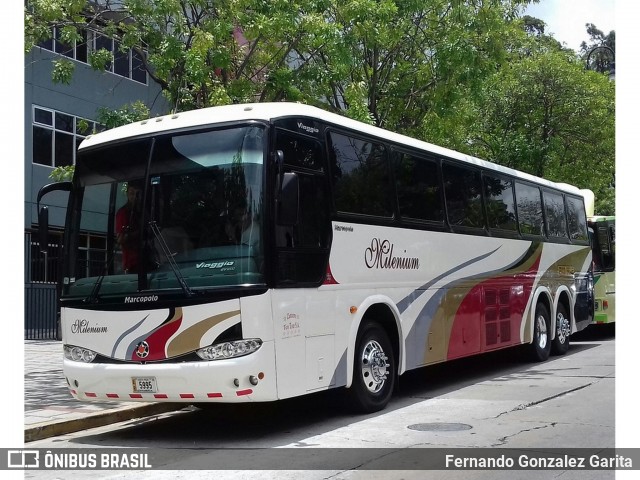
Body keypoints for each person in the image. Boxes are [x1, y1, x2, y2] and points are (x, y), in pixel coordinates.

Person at [116, 181, 142, 273]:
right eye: (131, 193)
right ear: (127, 194)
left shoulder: (144, 213)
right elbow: (120, 239)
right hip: (132, 264)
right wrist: (139, 233)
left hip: (149, 261)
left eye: (137, 194)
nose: (134, 196)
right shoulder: (123, 213)